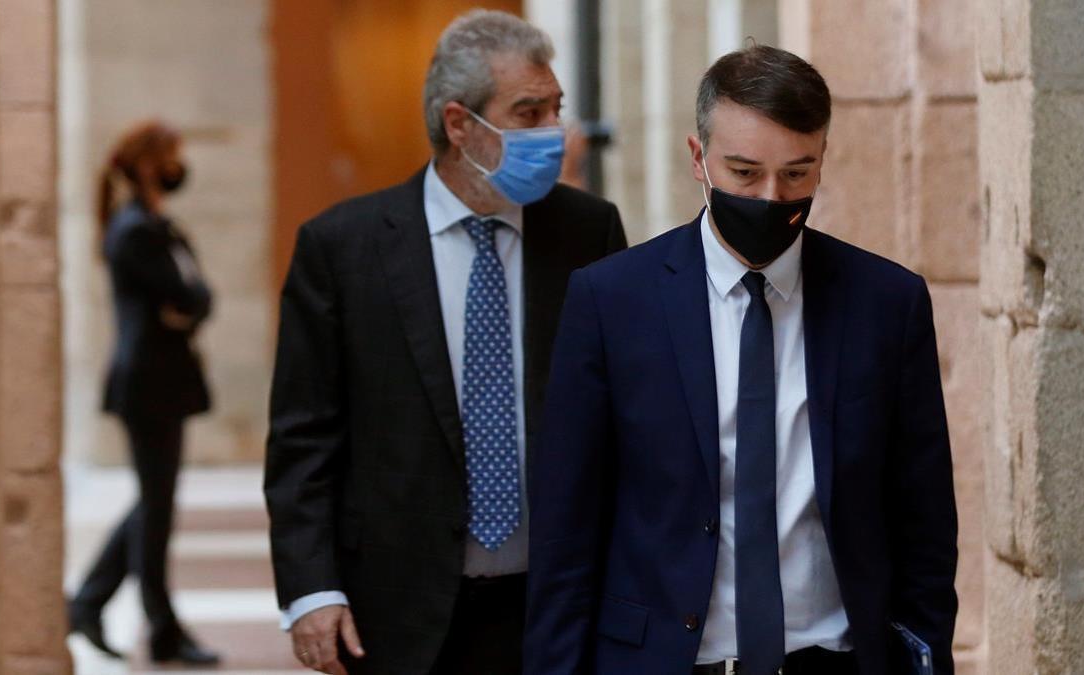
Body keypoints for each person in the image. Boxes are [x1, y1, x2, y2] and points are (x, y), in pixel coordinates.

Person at [525, 45, 958, 675]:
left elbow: (924, 521)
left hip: (834, 658)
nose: (770, 195)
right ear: (698, 158)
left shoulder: (886, 304)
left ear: (822, 160)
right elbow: (566, 530)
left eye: (796, 173)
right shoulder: (612, 301)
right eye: (745, 172)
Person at [263, 10, 627, 675]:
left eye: (556, 108)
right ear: (460, 125)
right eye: (528, 112)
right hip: (397, 612)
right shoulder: (342, 247)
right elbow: (303, 437)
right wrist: (312, 588)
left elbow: (623, 413)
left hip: (554, 607)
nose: (555, 132)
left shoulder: (589, 232)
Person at [67, 121, 220, 666]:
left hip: (165, 379)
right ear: (152, 165)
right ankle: (158, 627)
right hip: (147, 383)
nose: (181, 167)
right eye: (173, 157)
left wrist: (191, 305)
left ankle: (90, 604)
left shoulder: (157, 225)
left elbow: (198, 299)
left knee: (154, 504)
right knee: (156, 506)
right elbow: (186, 293)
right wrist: (189, 304)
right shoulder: (136, 231)